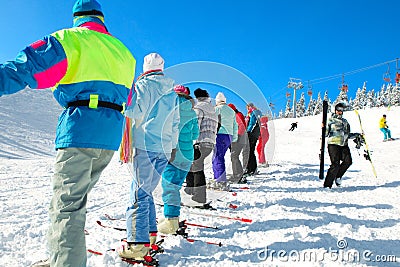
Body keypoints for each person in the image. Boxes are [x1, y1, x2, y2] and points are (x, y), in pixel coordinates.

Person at [0, 1, 136, 266]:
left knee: (67, 206)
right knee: (76, 201)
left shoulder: (69, 39)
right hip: (109, 135)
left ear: (77, 18)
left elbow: (26, 68)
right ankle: (60, 257)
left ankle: (65, 262)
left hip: (80, 128)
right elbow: (129, 98)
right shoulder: (124, 53)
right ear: (101, 18)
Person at [118, 53, 180, 260]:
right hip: (163, 149)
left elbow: (134, 112)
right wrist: (170, 148)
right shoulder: (172, 94)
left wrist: (123, 103)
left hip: (144, 146)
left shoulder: (142, 87)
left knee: (138, 195)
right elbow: (175, 124)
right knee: (146, 193)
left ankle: (137, 245)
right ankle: (150, 236)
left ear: (145, 68)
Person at [158, 85, 199, 234]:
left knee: (169, 187)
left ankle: (171, 220)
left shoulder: (170, 109)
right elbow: (195, 135)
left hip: (173, 154)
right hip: (187, 156)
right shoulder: (192, 112)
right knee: (175, 187)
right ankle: (170, 217)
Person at [185, 88, 218, 205]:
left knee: (197, 166)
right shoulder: (212, 109)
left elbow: (196, 125)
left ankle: (199, 196)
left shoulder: (198, 108)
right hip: (210, 142)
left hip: (200, 141)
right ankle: (191, 189)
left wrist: (191, 139)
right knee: (195, 164)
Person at [323, 103, 354, 188]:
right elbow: (325, 134)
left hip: (344, 144)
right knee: (335, 164)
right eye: (338, 110)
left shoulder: (345, 122)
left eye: (341, 110)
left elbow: (348, 134)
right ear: (335, 110)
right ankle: (327, 185)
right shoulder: (331, 120)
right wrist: (323, 127)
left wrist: (357, 135)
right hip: (333, 144)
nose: (340, 112)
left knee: (348, 161)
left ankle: (338, 176)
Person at [212, 92, 238, 190]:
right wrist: (234, 138)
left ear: (217, 101)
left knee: (218, 157)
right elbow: (235, 125)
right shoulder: (231, 111)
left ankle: (220, 181)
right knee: (218, 156)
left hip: (220, 135)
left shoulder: (216, 109)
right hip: (229, 136)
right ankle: (217, 178)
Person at [227, 103, 249, 183]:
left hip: (239, 138)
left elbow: (242, 126)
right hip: (240, 138)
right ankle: (238, 174)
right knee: (234, 156)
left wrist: (237, 136)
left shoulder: (237, 115)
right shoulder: (238, 114)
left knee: (234, 156)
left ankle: (238, 175)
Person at [244, 103, 262, 176]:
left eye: (248, 108)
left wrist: (248, 132)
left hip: (252, 134)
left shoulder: (253, 112)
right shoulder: (257, 112)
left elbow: (252, 123)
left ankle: (250, 169)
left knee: (249, 151)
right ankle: (253, 168)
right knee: (251, 151)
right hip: (255, 134)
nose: (248, 109)